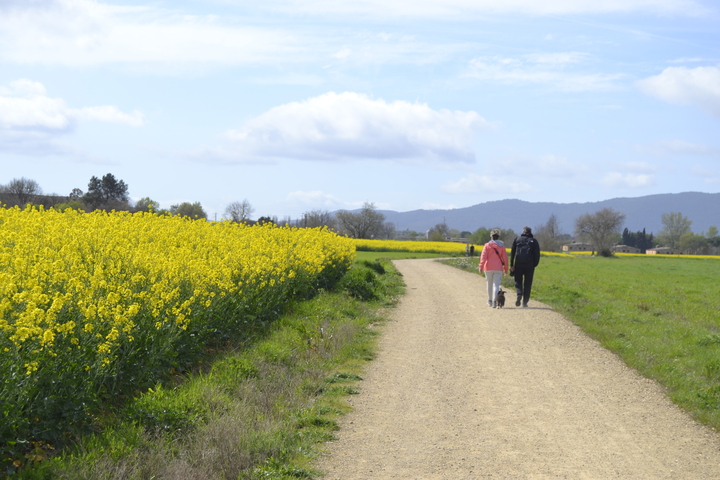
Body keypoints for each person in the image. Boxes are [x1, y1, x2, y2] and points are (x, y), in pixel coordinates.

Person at [510, 226, 541, 308]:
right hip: (529, 265)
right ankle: (525, 302)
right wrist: (534, 264)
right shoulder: (534, 241)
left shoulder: (517, 239)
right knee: (528, 283)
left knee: (518, 281)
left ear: (523, 232)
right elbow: (537, 254)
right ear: (530, 232)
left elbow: (512, 253)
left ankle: (519, 294)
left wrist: (511, 264)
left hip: (518, 264)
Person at [479, 229, 509, 308]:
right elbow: (505, 259)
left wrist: (481, 266)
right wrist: (506, 269)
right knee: (496, 285)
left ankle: (490, 300)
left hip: (488, 268)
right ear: (499, 236)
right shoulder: (502, 246)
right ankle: (495, 302)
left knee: (489, 284)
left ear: (491, 236)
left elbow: (483, 257)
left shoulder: (487, 245)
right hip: (498, 268)